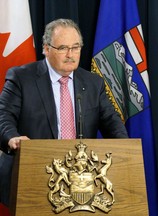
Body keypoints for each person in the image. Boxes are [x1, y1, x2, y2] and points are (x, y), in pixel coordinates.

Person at [0, 18, 128, 206]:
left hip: (81, 180)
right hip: (32, 173)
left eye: (75, 47)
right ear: (46, 48)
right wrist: (12, 138)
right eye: (62, 48)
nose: (70, 54)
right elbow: (3, 116)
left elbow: (111, 121)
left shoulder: (94, 83)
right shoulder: (21, 78)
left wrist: (125, 149)